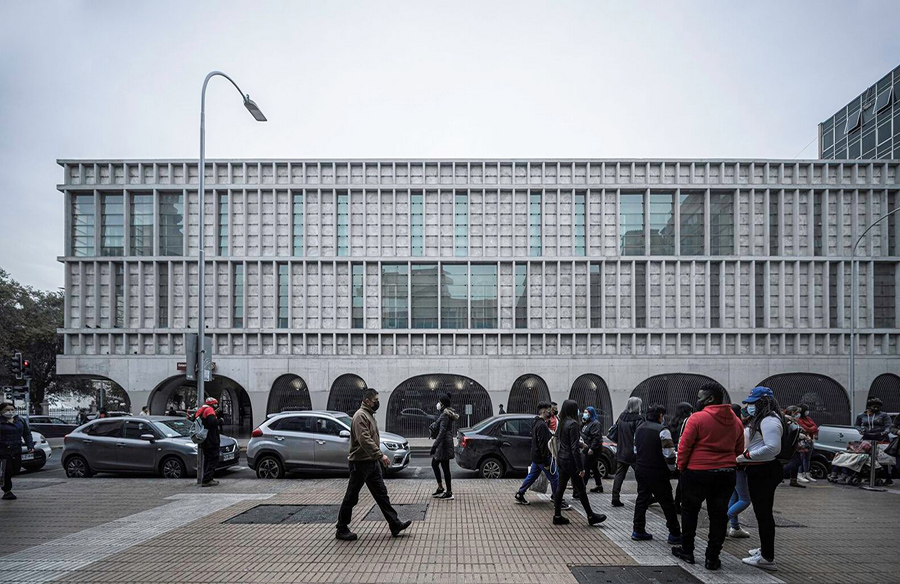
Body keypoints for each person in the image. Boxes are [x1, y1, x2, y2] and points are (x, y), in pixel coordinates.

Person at [671, 384, 744, 571]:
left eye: (700, 397)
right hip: (726, 474)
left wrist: (681, 467)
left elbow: (684, 446)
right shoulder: (736, 421)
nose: (698, 400)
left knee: (689, 512)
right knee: (719, 516)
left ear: (710, 399)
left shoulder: (696, 418)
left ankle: (687, 551)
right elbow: (739, 450)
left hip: (697, 472)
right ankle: (712, 558)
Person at [336, 388, 411, 541]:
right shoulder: (360, 416)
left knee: (382, 494)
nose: (377, 403)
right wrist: (380, 455)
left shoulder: (368, 415)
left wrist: (376, 457)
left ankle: (394, 524)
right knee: (351, 497)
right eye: (375, 400)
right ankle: (341, 528)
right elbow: (364, 440)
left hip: (370, 462)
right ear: (367, 401)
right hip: (360, 463)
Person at [736, 386, 783, 572]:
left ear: (762, 403)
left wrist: (745, 456)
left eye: (752, 403)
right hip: (760, 470)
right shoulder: (765, 419)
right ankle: (765, 549)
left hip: (763, 471)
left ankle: (767, 558)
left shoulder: (769, 421)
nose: (748, 406)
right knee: (762, 514)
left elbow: (773, 448)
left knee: (763, 515)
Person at [631, 403, 681, 544]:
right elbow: (669, 454)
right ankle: (674, 533)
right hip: (658, 471)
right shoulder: (663, 431)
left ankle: (638, 530)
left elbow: (635, 450)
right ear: (660, 416)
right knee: (667, 502)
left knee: (642, 499)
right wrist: (672, 469)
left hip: (641, 469)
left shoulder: (639, 429)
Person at [551, 399, 606, 527]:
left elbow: (565, 441)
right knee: (581, 489)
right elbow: (574, 448)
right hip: (571, 460)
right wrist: (580, 468)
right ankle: (591, 516)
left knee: (560, 487)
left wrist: (581, 443)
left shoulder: (562, 422)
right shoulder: (574, 424)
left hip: (562, 458)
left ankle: (557, 515)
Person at [515, 401, 569, 510]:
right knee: (555, 478)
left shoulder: (536, 422)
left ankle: (520, 493)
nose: (551, 412)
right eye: (549, 410)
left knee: (532, 476)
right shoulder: (542, 425)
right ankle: (557, 500)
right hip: (542, 458)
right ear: (544, 411)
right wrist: (546, 461)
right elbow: (543, 445)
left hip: (536, 456)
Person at [611, 397, 644, 507]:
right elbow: (639, 436)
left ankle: (615, 497)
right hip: (635, 452)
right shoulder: (638, 419)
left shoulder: (621, 417)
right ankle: (644, 496)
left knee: (619, 474)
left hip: (622, 450)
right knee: (641, 475)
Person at [727, 403, 752, 539]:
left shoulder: (727, 427)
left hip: (730, 466)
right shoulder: (741, 429)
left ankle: (735, 527)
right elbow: (744, 450)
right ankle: (721, 521)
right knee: (745, 499)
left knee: (734, 497)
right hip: (739, 466)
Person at [1, 402, 34, 501]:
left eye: (12, 409)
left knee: (16, 469)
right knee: (6, 470)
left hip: (16, 449)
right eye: (7, 410)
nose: (10, 412)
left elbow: (27, 434)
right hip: (3, 451)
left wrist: (30, 446)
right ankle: (7, 491)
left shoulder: (20, 421)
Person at [429, 393, 459, 500]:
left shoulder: (445, 415)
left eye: (440, 402)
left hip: (444, 445)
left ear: (443, 404)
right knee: (436, 464)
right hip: (443, 444)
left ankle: (449, 492)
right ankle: (441, 487)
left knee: (444, 467)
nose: (438, 404)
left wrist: (434, 446)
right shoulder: (445, 414)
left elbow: (442, 432)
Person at [667, 402, 694, 514]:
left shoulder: (672, 422)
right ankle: (679, 503)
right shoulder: (688, 422)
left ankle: (676, 503)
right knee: (682, 482)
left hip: (674, 453)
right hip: (684, 453)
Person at [194, 397, 221, 487]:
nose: (216, 406)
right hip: (211, 439)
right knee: (214, 458)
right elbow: (212, 422)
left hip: (205, 439)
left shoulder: (202, 410)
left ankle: (206, 478)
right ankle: (207, 479)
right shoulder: (209, 410)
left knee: (207, 459)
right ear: (212, 404)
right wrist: (220, 420)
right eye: (215, 404)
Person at [781, 406, 808, 488]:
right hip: (789, 445)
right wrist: (802, 436)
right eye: (797, 413)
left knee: (797, 461)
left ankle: (793, 480)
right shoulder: (787, 421)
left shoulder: (791, 420)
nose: (798, 415)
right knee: (796, 462)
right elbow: (790, 433)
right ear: (793, 413)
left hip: (793, 445)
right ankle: (779, 473)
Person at [581, 407, 605, 493]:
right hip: (588, 447)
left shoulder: (595, 424)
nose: (585, 414)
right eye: (584, 412)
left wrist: (592, 448)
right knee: (594, 467)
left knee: (586, 467)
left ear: (591, 413)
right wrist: (583, 423)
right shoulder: (587, 423)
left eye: (586, 412)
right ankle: (599, 485)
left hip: (593, 449)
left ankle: (583, 487)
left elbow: (596, 437)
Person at [796, 404, 818, 483]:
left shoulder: (808, 418)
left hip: (810, 440)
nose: (808, 412)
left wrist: (810, 429)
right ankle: (799, 474)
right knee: (801, 458)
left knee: (807, 458)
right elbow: (805, 428)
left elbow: (815, 427)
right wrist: (811, 428)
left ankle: (807, 473)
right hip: (802, 440)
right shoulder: (799, 419)